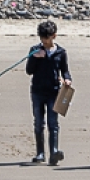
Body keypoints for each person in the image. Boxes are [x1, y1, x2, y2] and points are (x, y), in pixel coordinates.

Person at [25, 21, 72, 165]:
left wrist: (67, 79)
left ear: (54, 36)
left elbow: (65, 70)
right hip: (37, 91)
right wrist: (35, 57)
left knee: (53, 123)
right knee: (39, 123)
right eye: (42, 39)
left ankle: (54, 152)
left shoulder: (61, 52)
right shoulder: (34, 49)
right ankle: (40, 153)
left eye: (47, 38)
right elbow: (29, 71)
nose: (44, 42)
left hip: (54, 91)